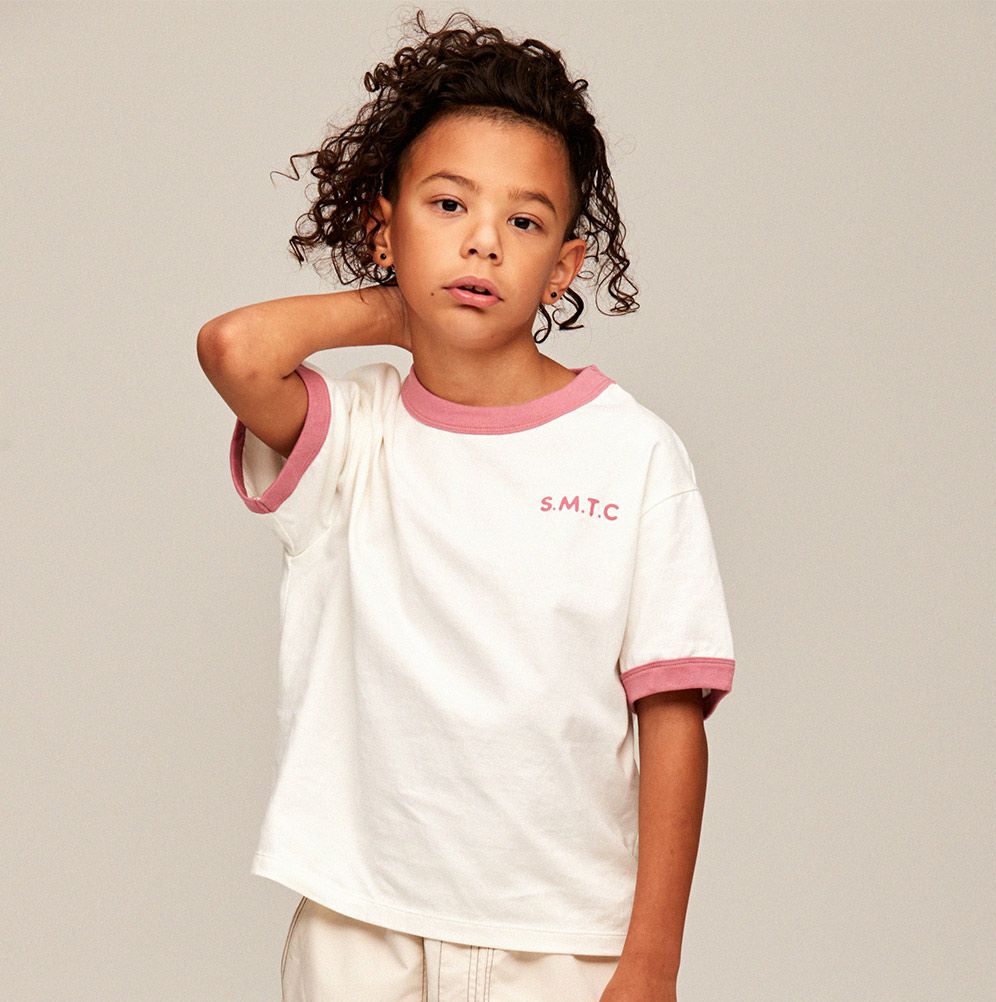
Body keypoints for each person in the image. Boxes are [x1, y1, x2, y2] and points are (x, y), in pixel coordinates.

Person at [197, 9, 735, 1001]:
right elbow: (235, 348)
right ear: (384, 228)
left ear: (562, 267)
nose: (483, 242)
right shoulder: (352, 436)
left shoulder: (634, 454)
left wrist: (652, 961)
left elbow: (672, 717)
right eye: (447, 206)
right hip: (361, 926)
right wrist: (403, 306)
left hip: (561, 941)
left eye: (524, 222)